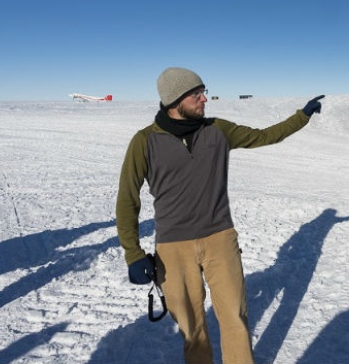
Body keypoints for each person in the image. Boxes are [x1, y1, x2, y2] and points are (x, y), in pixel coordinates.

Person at [115, 66, 323, 364]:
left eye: (203, 92)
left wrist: (301, 117)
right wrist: (133, 254)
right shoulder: (144, 141)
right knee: (192, 328)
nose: (204, 99)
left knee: (235, 319)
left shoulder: (217, 130)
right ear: (176, 101)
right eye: (196, 95)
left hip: (220, 238)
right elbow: (127, 199)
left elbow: (264, 136)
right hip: (173, 248)